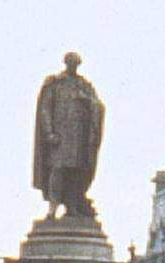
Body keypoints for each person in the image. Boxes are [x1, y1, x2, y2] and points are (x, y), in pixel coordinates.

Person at [33, 52, 104, 219]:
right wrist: (49, 132)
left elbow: (98, 106)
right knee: (57, 171)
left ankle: (72, 207)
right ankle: (53, 207)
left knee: (75, 173)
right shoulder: (55, 83)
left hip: (79, 138)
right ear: (66, 63)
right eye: (71, 63)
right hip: (60, 137)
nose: (74, 66)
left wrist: (87, 100)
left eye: (76, 63)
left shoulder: (84, 85)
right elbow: (45, 109)